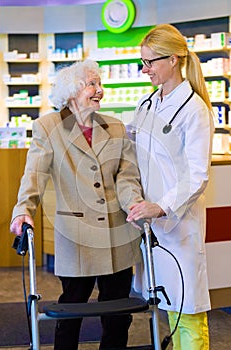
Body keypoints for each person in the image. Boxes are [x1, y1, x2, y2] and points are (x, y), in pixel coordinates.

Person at [10, 59, 144, 350]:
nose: (100, 91)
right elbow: (34, 174)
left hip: (117, 233)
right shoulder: (48, 127)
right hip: (77, 235)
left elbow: (127, 176)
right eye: (92, 85)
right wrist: (23, 210)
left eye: (100, 84)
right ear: (72, 91)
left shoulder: (116, 127)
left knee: (118, 314)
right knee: (71, 309)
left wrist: (134, 203)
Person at [127, 24, 214, 350]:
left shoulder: (195, 110)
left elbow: (196, 174)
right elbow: (134, 148)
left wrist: (161, 206)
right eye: (143, 62)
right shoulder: (147, 104)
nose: (145, 69)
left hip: (178, 225)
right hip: (150, 224)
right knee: (164, 307)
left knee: (187, 311)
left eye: (151, 62)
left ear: (174, 60)